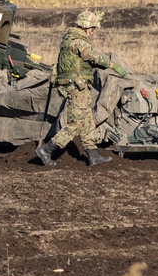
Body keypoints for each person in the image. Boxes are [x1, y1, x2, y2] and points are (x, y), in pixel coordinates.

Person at [36, 10, 128, 167]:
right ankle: (47, 149)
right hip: (76, 87)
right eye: (92, 29)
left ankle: (92, 155)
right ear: (86, 28)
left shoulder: (69, 39)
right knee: (76, 123)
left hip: (79, 85)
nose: (93, 33)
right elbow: (93, 56)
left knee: (87, 121)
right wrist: (113, 66)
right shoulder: (78, 41)